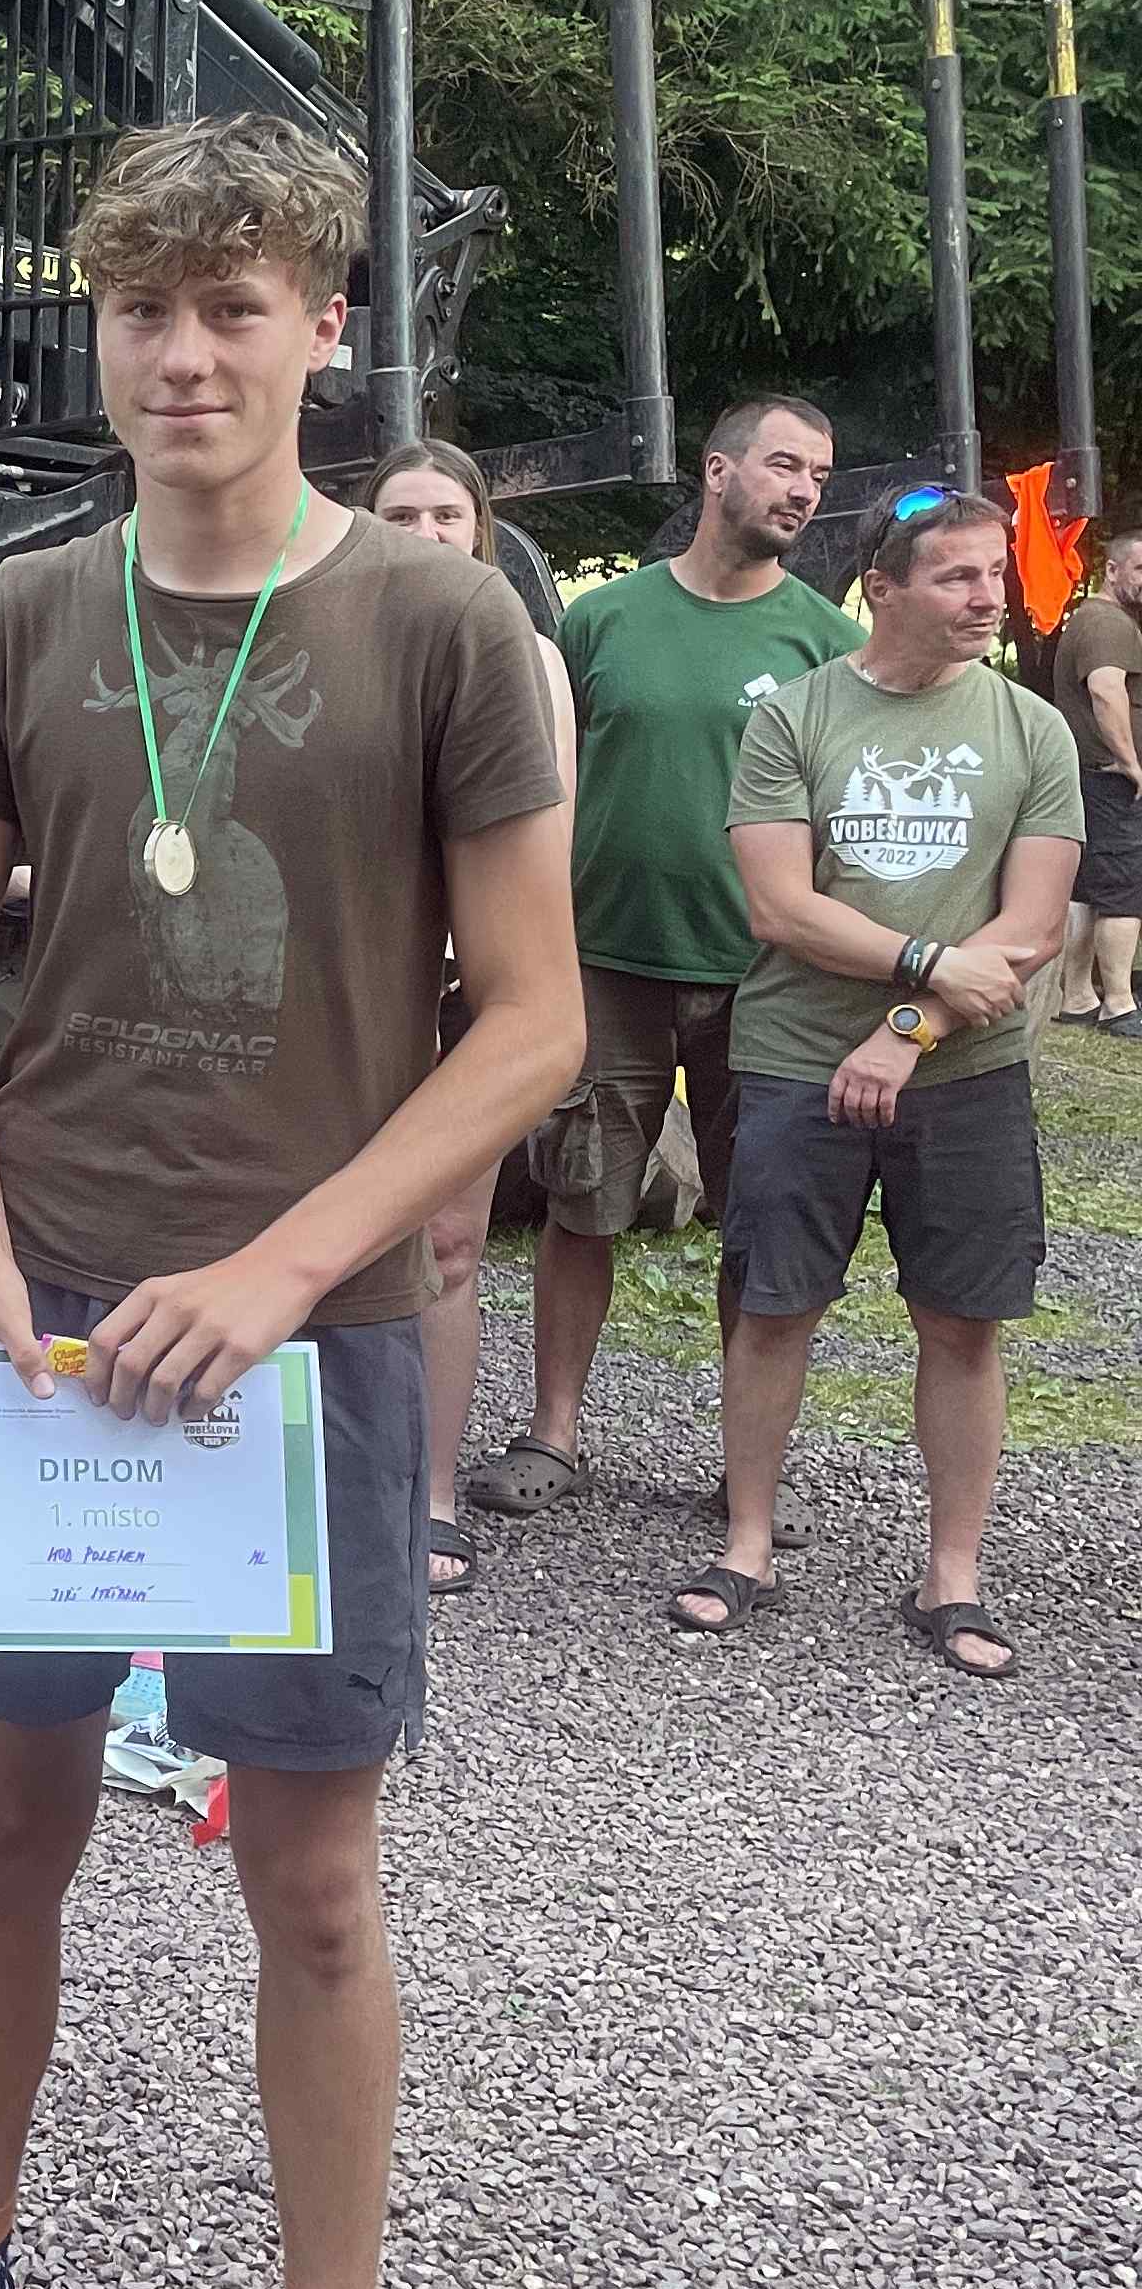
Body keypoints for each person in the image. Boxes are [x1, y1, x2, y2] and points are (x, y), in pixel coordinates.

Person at [0, 118, 580, 2289]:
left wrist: (282, 1270)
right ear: (97, 331)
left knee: (315, 1887)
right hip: (50, 1331)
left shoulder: (447, 626)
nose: (186, 355)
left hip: (298, 1333)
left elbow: (536, 1021)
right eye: (145, 310)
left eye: (237, 308)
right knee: (3, 1833)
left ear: (327, 329)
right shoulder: (23, 613)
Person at [676, 485, 1078, 1680]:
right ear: (885, 589)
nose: (989, 596)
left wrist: (909, 1026)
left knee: (961, 1319)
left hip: (968, 1072)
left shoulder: (1033, 731)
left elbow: (1033, 927)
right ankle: (747, 1546)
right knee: (773, 1306)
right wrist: (928, 964)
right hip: (795, 1059)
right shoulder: (794, 717)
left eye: (994, 573)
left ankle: (953, 1574)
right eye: (959, 576)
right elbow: (779, 906)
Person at [464, 398, 855, 1533]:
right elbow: (543, 780)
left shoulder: (824, 641)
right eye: (784, 464)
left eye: (819, 475)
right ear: (717, 472)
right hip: (604, 960)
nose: (804, 491)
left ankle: (748, 1468)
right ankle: (554, 1433)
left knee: (756, 1221)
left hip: (765, 977)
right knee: (582, 1201)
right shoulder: (603, 621)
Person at [363, 442, 576, 1593]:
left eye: (447, 514)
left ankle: (432, 1493)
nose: (426, 533)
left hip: (463, 991)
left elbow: (549, 834)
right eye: (402, 513)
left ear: (482, 530)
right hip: (343, 988)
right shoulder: (321, 640)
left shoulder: (529, 659)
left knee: (448, 1245)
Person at [1050, 527, 1142, 1035]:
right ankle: (1119, 1006)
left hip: (1090, 777)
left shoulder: (1100, 619)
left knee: (1086, 889)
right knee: (1124, 889)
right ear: (1112, 569)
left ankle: (1078, 996)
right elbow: (1107, 691)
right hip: (1110, 779)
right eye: (1140, 569)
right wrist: (1131, 764)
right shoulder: (1107, 622)